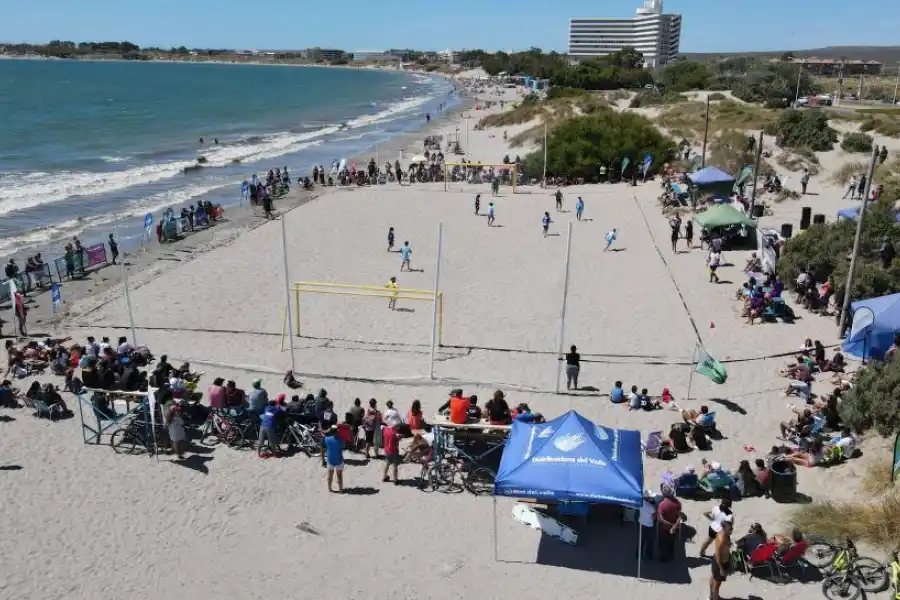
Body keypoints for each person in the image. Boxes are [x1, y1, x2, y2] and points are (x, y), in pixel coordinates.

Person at [656, 488, 682, 562]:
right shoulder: (678, 503)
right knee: (671, 543)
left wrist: (670, 524)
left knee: (663, 544)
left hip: (664, 528)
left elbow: (661, 519)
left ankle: (664, 558)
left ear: (664, 494)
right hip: (674, 529)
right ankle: (671, 555)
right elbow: (679, 516)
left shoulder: (662, 505)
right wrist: (674, 526)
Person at [710, 520, 733, 600]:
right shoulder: (722, 538)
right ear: (724, 528)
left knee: (713, 578)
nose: (731, 530)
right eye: (729, 529)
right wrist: (721, 568)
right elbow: (718, 554)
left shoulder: (723, 534)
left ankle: (712, 596)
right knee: (717, 583)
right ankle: (715, 598)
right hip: (720, 563)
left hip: (720, 562)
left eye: (731, 528)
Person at [321, 426, 345, 493]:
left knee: (330, 475)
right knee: (339, 476)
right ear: (337, 431)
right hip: (339, 460)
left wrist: (323, 459)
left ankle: (329, 488)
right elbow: (343, 448)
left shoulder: (326, 439)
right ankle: (341, 490)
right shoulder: (341, 440)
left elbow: (323, 448)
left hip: (330, 460)